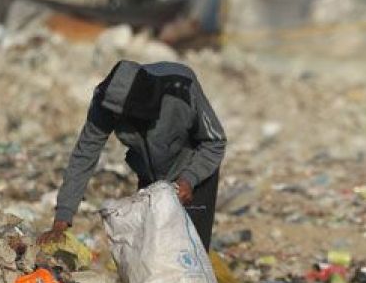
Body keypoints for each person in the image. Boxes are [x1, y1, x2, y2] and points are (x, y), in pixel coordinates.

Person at [38, 60, 226, 250]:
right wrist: (61, 221)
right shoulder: (106, 101)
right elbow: (85, 154)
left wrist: (188, 179)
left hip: (194, 173)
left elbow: (215, 141)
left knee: (192, 250)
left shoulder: (182, 88)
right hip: (150, 178)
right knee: (152, 250)